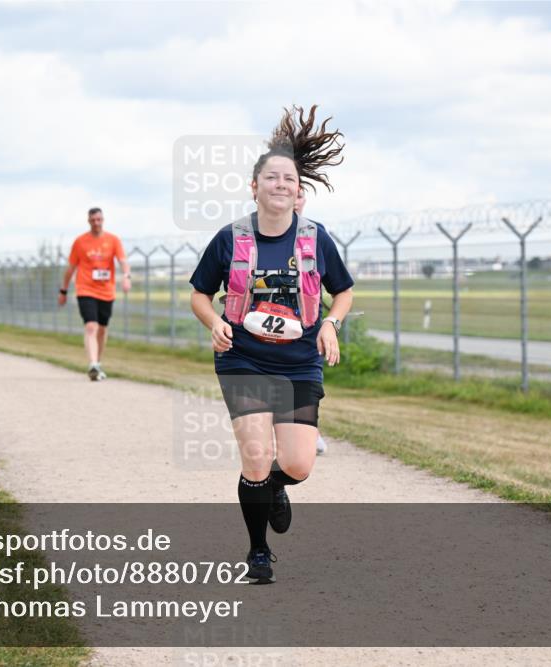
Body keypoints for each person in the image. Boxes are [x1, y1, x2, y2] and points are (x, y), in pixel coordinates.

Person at [189, 105, 353, 584]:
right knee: (256, 457)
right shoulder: (230, 238)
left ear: (298, 191)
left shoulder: (316, 238)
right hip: (243, 359)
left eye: (289, 179)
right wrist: (213, 322)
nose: (280, 184)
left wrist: (331, 324)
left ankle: (273, 488)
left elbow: (342, 291)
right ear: (254, 186)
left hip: (299, 362)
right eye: (271, 177)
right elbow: (199, 294)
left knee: (297, 465)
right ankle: (259, 552)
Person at [58, 207, 131, 381]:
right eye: (93, 220)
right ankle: (92, 364)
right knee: (91, 326)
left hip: (106, 291)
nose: (96, 223)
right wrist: (63, 290)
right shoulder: (80, 242)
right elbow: (70, 269)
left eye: (99, 220)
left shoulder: (113, 240)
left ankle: (97, 364)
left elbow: (123, 261)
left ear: (103, 220)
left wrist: (126, 276)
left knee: (102, 329)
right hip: (85, 289)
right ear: (89, 221)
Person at [294, 188, 330, 458]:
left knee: (305, 385)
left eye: (300, 194)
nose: (295, 200)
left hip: (306, 327)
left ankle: (309, 429)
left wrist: (330, 323)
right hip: (266, 326)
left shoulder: (315, 233)